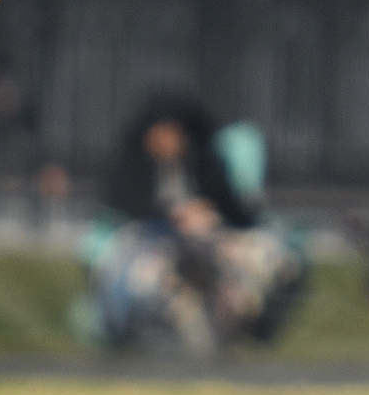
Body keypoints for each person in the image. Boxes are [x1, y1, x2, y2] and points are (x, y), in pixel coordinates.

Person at [85, 97, 304, 355]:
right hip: (155, 247)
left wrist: (207, 214)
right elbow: (125, 212)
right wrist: (173, 218)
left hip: (209, 247)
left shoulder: (205, 167)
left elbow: (238, 213)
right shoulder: (134, 173)